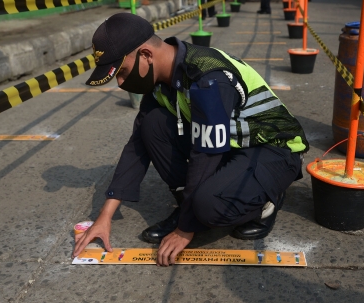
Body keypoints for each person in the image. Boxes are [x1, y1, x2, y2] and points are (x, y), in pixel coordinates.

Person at [72, 13, 309, 267]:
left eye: (122, 72)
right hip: (232, 145)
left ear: (146, 55)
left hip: (273, 150)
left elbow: (206, 155)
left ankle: (265, 202)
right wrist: (104, 215)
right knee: (152, 124)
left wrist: (185, 228)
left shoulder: (207, 77)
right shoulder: (161, 78)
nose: (120, 83)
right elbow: (137, 144)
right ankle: (191, 205)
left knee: (208, 205)